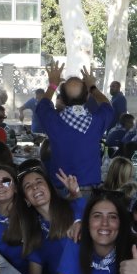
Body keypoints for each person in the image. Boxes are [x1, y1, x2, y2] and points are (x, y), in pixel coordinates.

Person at [36, 62, 114, 192]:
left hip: (59, 190)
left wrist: (53, 84)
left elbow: (43, 105)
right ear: (87, 96)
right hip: (89, 191)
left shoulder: (52, 121)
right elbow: (107, 105)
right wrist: (92, 87)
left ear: (62, 99)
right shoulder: (97, 122)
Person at [14, 162, 84, 274]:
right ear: (26, 200)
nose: (35, 187)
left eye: (39, 182)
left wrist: (76, 192)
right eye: (28, 186)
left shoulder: (74, 208)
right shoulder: (34, 235)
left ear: (50, 188)